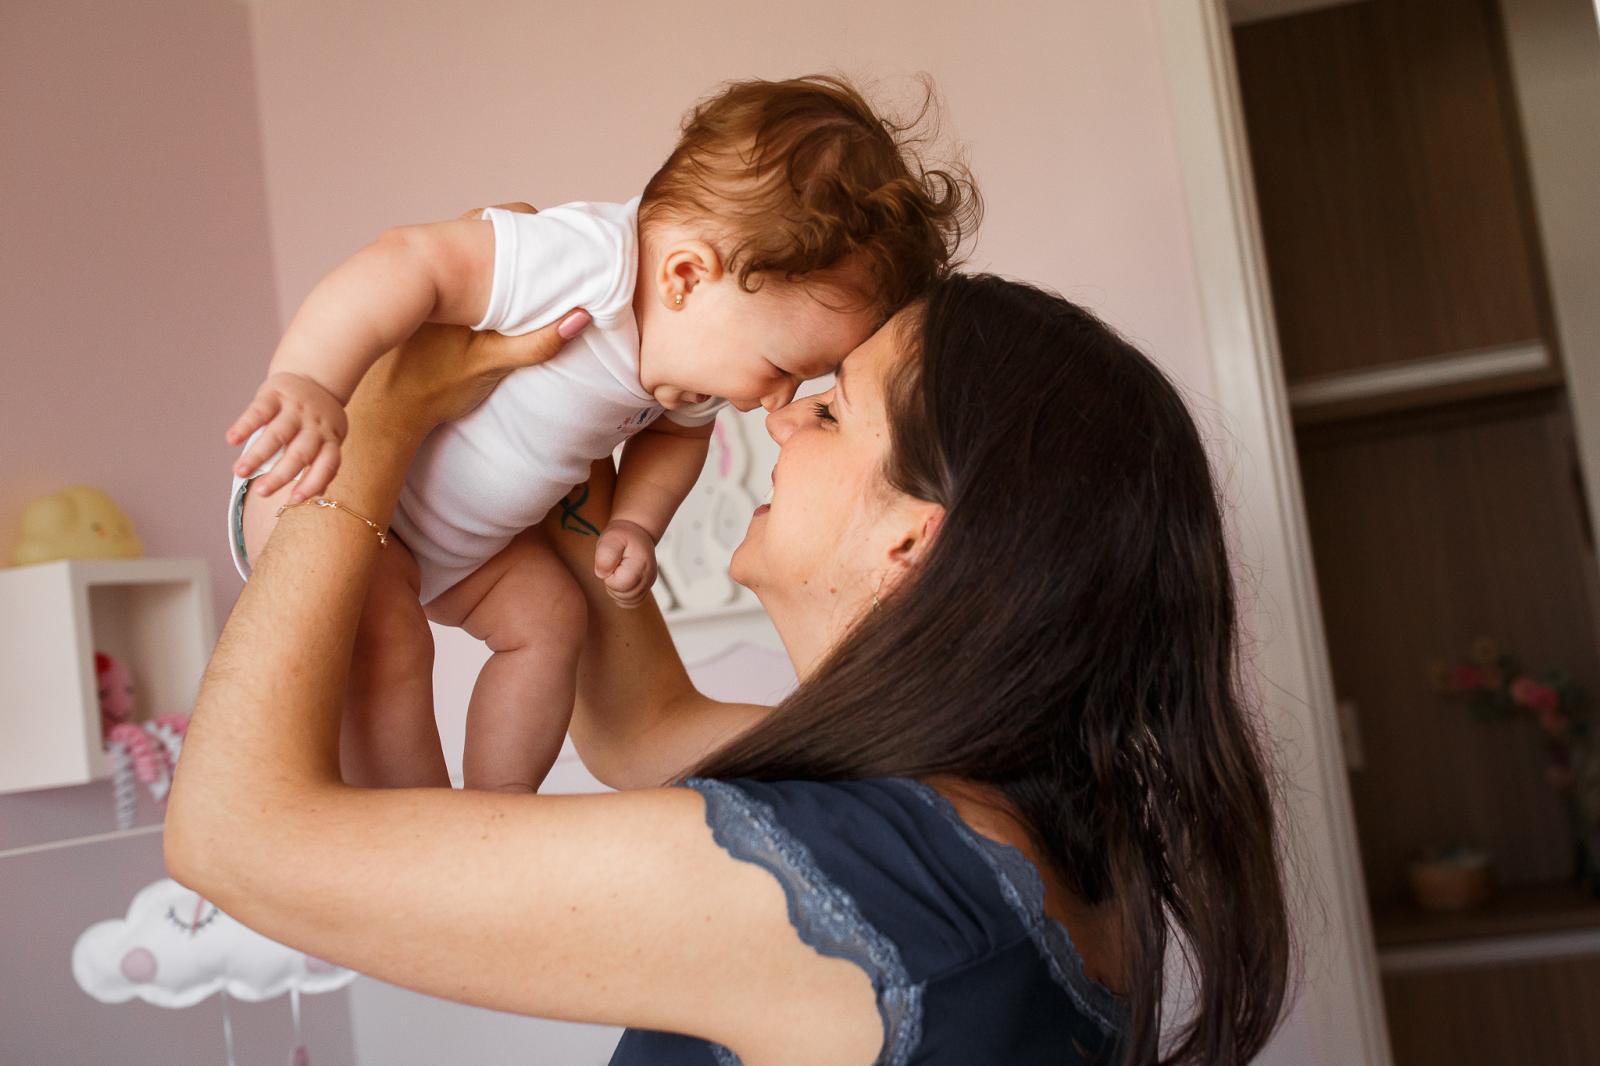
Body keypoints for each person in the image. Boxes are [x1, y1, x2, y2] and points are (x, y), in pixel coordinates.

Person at [168, 273, 1292, 1065]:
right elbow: (644, 725)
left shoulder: (874, 879)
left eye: (833, 409)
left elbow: (232, 835)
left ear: (911, 536)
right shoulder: (989, 825)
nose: (780, 415)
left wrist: (378, 414)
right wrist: (572, 419)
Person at [222, 75, 974, 795]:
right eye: (782, 368)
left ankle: (499, 800)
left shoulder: (689, 364)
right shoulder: (583, 262)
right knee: (394, 645)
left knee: (551, 618)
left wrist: (636, 525)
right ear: (685, 276)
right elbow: (408, 260)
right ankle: (412, 820)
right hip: (324, 487)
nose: (774, 404)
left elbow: (673, 445)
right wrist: (312, 380)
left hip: (461, 551)